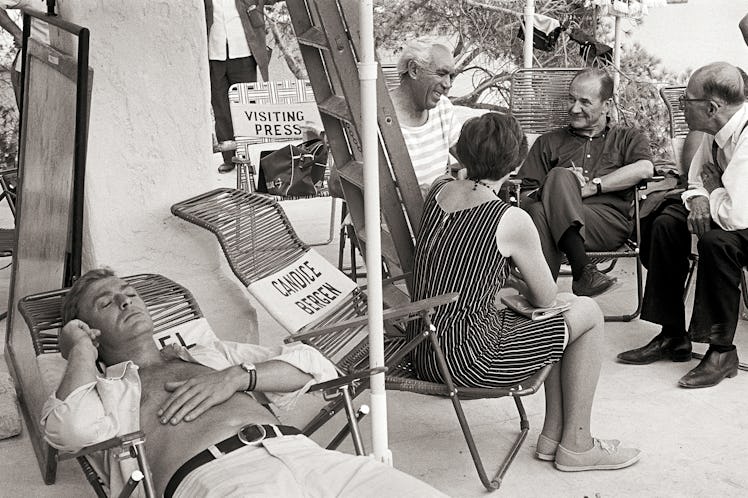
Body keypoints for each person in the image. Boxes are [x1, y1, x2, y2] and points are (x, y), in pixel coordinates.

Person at [41, 268, 445, 497]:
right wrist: (78, 350)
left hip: (305, 455)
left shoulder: (209, 352)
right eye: (106, 302)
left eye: (128, 292)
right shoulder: (105, 390)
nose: (126, 300)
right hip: (222, 479)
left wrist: (237, 377)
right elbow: (68, 429)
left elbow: (313, 366)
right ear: (88, 329)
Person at [408, 113, 640, 472]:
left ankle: (552, 437)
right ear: (516, 161)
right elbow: (546, 298)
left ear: (462, 152)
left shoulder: (438, 191)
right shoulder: (508, 218)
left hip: (425, 348)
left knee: (563, 315)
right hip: (468, 360)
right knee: (585, 313)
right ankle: (577, 445)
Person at [617, 62, 748, 389]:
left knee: (716, 243)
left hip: (742, 221)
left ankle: (721, 351)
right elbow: (695, 180)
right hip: (731, 210)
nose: (679, 107)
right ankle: (672, 334)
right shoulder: (715, 134)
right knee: (666, 223)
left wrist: (712, 190)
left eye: (686, 100)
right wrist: (702, 197)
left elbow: (736, 217)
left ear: (711, 107)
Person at [517, 68, 654, 297]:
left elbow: (645, 168)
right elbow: (524, 194)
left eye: (584, 102)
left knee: (555, 186)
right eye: (571, 99)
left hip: (605, 224)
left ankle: (538, 299)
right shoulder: (547, 142)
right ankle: (580, 274)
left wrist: (591, 187)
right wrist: (560, 187)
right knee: (549, 193)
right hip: (547, 219)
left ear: (607, 105)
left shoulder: (628, 138)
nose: (574, 108)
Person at [205, 0, 276, 174]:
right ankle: (229, 157)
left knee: (246, 107)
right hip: (214, 52)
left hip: (243, 51)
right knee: (221, 107)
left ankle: (250, 155)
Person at [390, 38, 461, 195]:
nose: (448, 84)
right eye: (441, 73)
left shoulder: (443, 108)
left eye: (451, 76)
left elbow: (472, 162)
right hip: (391, 217)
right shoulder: (378, 116)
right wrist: (408, 194)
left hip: (433, 215)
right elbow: (336, 184)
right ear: (414, 70)